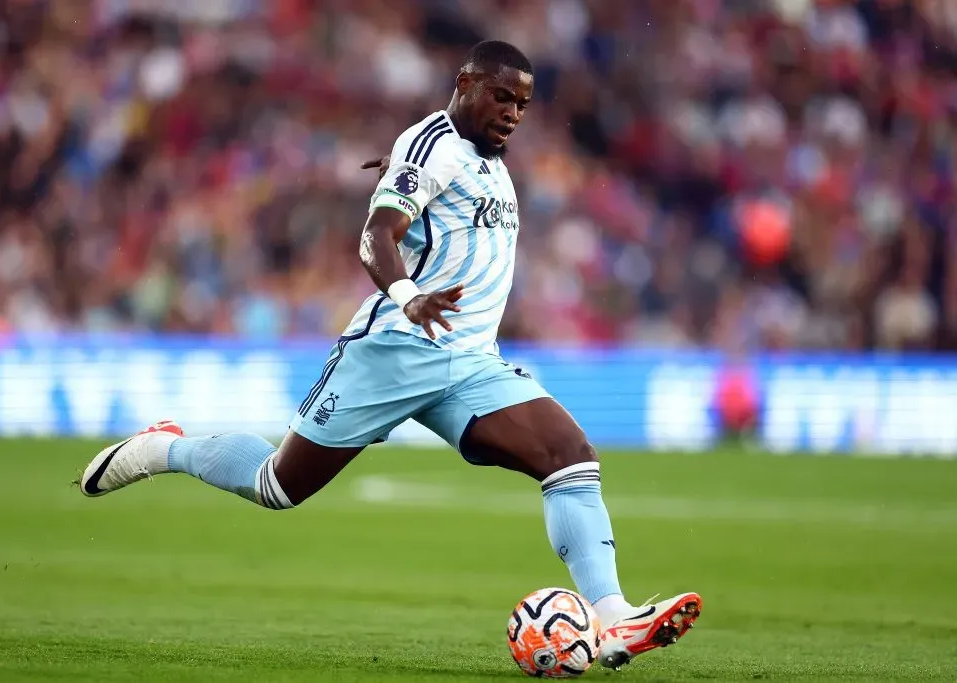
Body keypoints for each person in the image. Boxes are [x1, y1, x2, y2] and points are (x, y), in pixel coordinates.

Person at [77, 40, 701, 670]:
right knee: (278, 486)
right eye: (501, 96)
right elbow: (375, 238)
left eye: (523, 103)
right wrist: (408, 296)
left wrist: (406, 175)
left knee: (569, 458)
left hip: (471, 362)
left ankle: (614, 618)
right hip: (396, 349)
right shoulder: (431, 146)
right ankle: (167, 447)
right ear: (464, 83)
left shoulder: (483, 159)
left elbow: (425, 192)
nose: (513, 112)